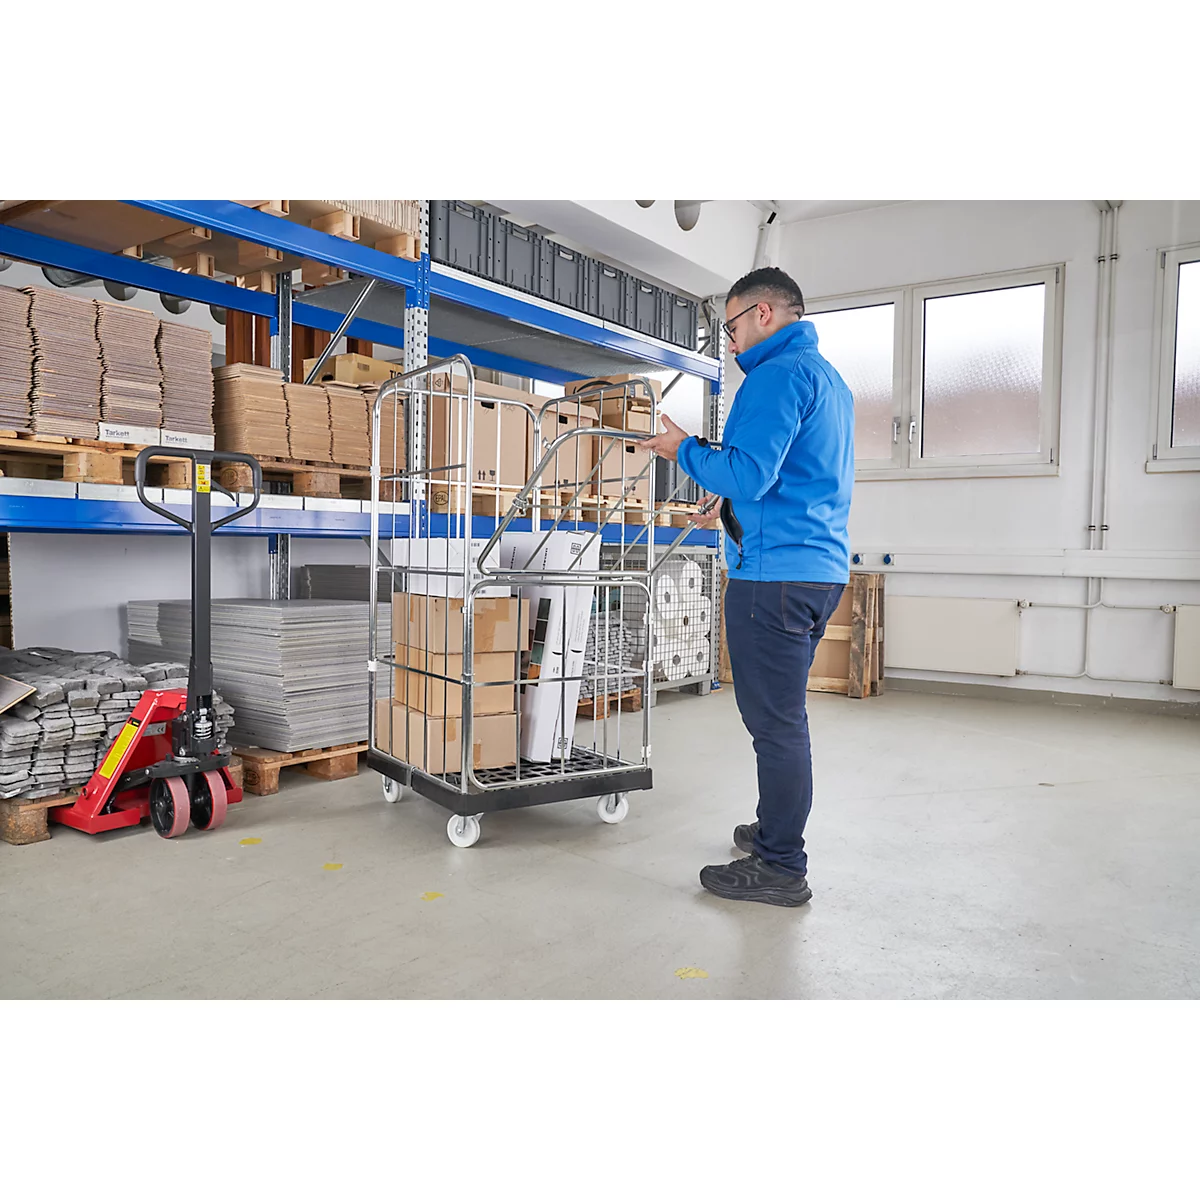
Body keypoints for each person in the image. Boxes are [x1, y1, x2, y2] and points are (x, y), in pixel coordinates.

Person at [643, 267, 854, 907]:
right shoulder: (826, 379)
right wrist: (726, 505)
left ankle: (781, 866)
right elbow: (789, 477)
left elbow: (752, 472)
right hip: (815, 572)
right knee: (782, 719)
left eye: (730, 326)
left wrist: (681, 447)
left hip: (774, 580)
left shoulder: (775, 375)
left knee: (777, 725)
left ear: (764, 314)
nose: (729, 342)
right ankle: (773, 831)